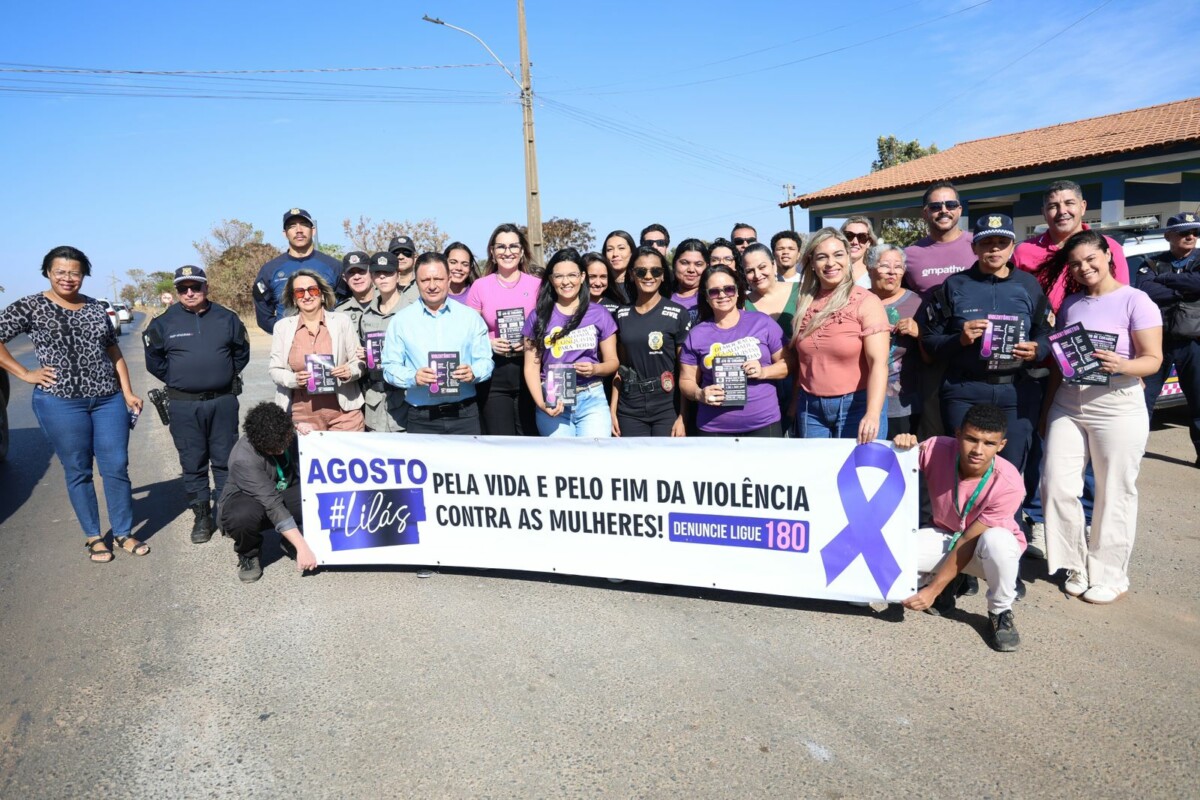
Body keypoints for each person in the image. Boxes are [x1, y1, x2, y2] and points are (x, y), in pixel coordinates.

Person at [0, 245, 145, 562]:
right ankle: (94, 537)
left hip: (108, 400)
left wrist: (127, 392)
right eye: (60, 272)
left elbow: (113, 351)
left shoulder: (95, 308)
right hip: (60, 402)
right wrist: (24, 373)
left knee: (116, 466)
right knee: (78, 470)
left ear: (84, 275)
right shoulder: (30, 306)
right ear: (48, 273)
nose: (67, 278)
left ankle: (123, 532)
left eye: (75, 273)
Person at [1040, 231, 1163, 603]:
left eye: (1090, 259)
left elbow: (1153, 360)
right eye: (1075, 264)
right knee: (1056, 485)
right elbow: (1061, 361)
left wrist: (1122, 365)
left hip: (1116, 403)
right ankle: (1074, 563)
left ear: (1108, 255)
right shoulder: (1071, 304)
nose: (1084, 268)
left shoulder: (1135, 300)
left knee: (1114, 491)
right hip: (1068, 402)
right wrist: (1048, 407)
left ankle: (1110, 575)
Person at [922, 214, 1051, 479]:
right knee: (965, 469)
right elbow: (930, 340)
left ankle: (1009, 510)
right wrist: (959, 339)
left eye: (1002, 242)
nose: (994, 249)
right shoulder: (955, 285)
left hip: (1015, 392)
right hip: (965, 391)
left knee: (1011, 472)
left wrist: (1037, 349)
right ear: (974, 247)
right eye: (986, 243)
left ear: (1012, 246)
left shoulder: (1029, 285)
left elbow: (1047, 333)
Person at [893, 403, 1027, 652]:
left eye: (989, 443)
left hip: (984, 551)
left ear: (1001, 445)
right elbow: (894, 464)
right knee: (892, 555)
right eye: (971, 439)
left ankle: (1000, 611)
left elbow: (967, 541)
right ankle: (952, 580)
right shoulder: (935, 448)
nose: (978, 450)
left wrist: (933, 591)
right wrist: (901, 446)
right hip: (945, 535)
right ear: (958, 434)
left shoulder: (1009, 483)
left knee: (998, 541)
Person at [143, 265, 250, 544]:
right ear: (177, 291)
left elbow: (241, 353)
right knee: (193, 462)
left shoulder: (227, 318)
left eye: (195, 287)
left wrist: (220, 375)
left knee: (225, 460)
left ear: (206, 287)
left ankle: (226, 511)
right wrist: (182, 379)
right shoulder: (163, 322)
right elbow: (154, 361)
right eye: (183, 288)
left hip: (223, 401)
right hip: (184, 405)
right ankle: (202, 516)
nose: (189, 292)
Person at [789, 228, 889, 443]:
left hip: (857, 406)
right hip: (810, 409)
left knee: (857, 466)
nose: (830, 263)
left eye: (838, 255)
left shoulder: (867, 302)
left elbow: (879, 364)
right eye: (822, 257)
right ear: (812, 263)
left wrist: (872, 414)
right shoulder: (803, 302)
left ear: (848, 258)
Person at [382, 253, 493, 435]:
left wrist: (474, 372)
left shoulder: (470, 317)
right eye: (425, 280)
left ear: (449, 279)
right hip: (421, 417)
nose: (432, 286)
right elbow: (389, 367)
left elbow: (486, 361)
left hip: (464, 414)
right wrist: (412, 377)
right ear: (416, 282)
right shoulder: (401, 321)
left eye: (438, 279)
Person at [679, 265, 787, 437]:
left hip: (764, 423)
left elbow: (788, 364)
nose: (722, 295)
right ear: (706, 297)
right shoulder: (697, 334)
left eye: (728, 289)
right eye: (714, 292)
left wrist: (763, 371)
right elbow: (686, 380)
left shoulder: (762, 322)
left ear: (737, 291)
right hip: (714, 428)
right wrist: (699, 394)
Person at [905, 182, 976, 442]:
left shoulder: (978, 245)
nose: (944, 210)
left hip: (973, 353)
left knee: (970, 432)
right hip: (931, 355)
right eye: (936, 206)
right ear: (925, 212)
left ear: (960, 209)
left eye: (950, 204)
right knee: (933, 433)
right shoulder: (910, 255)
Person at [217, 401, 318, 583]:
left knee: (317, 494)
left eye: (284, 443)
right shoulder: (243, 459)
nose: (281, 449)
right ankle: (249, 554)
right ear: (258, 442)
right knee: (241, 516)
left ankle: (291, 539)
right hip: (250, 500)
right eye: (274, 448)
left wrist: (311, 433)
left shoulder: (284, 432)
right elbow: (272, 503)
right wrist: (302, 547)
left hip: (282, 492)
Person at [522, 248, 618, 437]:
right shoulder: (537, 316)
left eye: (572, 275)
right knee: (561, 457)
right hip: (553, 398)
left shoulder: (599, 313)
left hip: (592, 399)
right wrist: (542, 403)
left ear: (582, 277)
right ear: (551, 280)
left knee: (594, 454)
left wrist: (595, 369)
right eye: (559, 276)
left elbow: (613, 362)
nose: (566, 282)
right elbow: (531, 367)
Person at [466, 223, 541, 436]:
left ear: (522, 251)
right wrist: (488, 343)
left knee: (531, 439)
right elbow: (469, 332)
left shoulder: (537, 285)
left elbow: (548, 327)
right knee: (501, 440)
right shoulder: (480, 286)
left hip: (530, 371)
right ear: (492, 251)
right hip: (494, 374)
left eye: (513, 246)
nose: (507, 252)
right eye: (501, 247)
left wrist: (531, 342)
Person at [1138, 212, 1200, 466]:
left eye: (1195, 232)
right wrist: (1184, 290)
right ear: (1168, 236)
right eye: (1184, 232)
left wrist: (1165, 280)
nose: (1191, 236)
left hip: (1193, 343)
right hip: (1156, 342)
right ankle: (1132, 452)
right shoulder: (1151, 262)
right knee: (1142, 401)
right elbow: (1146, 289)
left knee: (1199, 402)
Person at [268, 269, 365, 431]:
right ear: (294, 298)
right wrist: (294, 379)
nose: (307, 296)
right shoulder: (282, 327)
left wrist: (350, 372)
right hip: (303, 417)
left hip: (345, 414)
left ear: (322, 294)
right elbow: (274, 370)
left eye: (312, 290)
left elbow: (359, 361)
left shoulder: (342, 321)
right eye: (299, 292)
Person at [1013, 180, 1130, 311]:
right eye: (1053, 206)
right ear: (1044, 213)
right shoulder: (1023, 251)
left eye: (1069, 203)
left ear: (1083, 207)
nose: (1062, 211)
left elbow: (1121, 299)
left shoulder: (1108, 247)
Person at [611, 246, 691, 437]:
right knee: (634, 457)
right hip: (630, 406)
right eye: (641, 271)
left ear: (663, 275)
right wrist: (612, 410)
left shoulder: (678, 314)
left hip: (667, 404)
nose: (648, 276)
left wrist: (683, 416)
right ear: (632, 275)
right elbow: (619, 367)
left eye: (655, 271)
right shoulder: (621, 315)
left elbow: (685, 370)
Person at [253, 208, 344, 333]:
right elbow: (264, 316)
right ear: (285, 233)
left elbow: (346, 306)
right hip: (289, 341)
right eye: (292, 226)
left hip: (328, 339)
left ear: (313, 230)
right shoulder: (269, 270)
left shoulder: (334, 266)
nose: (299, 230)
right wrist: (285, 333)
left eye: (304, 225)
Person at [742, 244, 801, 432]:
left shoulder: (801, 292)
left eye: (762, 267)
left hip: (801, 384)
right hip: (763, 387)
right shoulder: (741, 303)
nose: (757, 275)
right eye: (750, 271)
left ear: (774, 265)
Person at [867, 244, 923, 436]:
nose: (892, 272)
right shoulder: (857, 300)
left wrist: (919, 332)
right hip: (860, 401)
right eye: (884, 266)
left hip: (902, 404)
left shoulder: (917, 303)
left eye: (898, 267)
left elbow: (932, 354)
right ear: (870, 269)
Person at [358, 251, 411, 432]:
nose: (382, 277)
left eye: (388, 272)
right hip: (375, 400)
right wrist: (363, 356)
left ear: (398, 275)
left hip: (404, 400)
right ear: (372, 277)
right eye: (377, 273)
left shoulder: (412, 312)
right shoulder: (366, 316)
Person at [333, 250, 374, 329]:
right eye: (351, 273)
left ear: (372, 273)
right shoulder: (340, 313)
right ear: (344, 278)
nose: (357, 277)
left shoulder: (387, 303)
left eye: (361, 271)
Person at [670, 239, 708, 324]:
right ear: (674, 264)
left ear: (707, 267)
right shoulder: (661, 297)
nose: (691, 270)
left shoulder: (713, 297)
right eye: (685, 263)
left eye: (698, 264)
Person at [839, 217, 878, 289]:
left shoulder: (875, 275)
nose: (855, 242)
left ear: (869, 242)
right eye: (849, 236)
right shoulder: (832, 272)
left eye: (862, 237)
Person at [583, 251, 624, 316]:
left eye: (603, 277)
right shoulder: (570, 306)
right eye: (592, 277)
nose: (598, 283)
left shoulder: (616, 309)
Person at [602, 230, 637, 301]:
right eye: (610, 249)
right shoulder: (600, 286)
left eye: (621, 248)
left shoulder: (640, 285)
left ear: (632, 252)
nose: (615, 254)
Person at [388, 235, 421, 305]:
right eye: (395, 253)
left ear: (415, 258)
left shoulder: (423, 283)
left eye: (406, 253)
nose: (400, 257)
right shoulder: (378, 285)